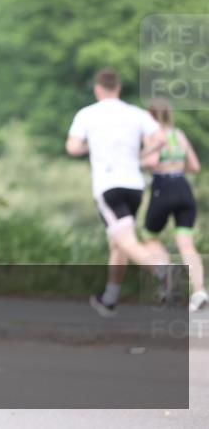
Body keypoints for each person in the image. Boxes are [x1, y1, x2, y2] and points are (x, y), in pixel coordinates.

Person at [66, 68, 167, 317]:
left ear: (98, 89)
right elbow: (161, 137)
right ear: (118, 88)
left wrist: (94, 145)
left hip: (108, 185)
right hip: (134, 185)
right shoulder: (135, 113)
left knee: (126, 240)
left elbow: (72, 147)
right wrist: (140, 154)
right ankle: (110, 297)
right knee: (117, 242)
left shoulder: (87, 114)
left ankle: (163, 271)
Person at [140, 99, 207, 312]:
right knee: (186, 244)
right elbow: (194, 166)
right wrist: (176, 165)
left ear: (150, 114)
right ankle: (199, 291)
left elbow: (151, 162)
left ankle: (168, 278)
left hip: (163, 188)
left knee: (149, 236)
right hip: (183, 187)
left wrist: (136, 159)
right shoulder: (179, 134)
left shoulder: (153, 135)